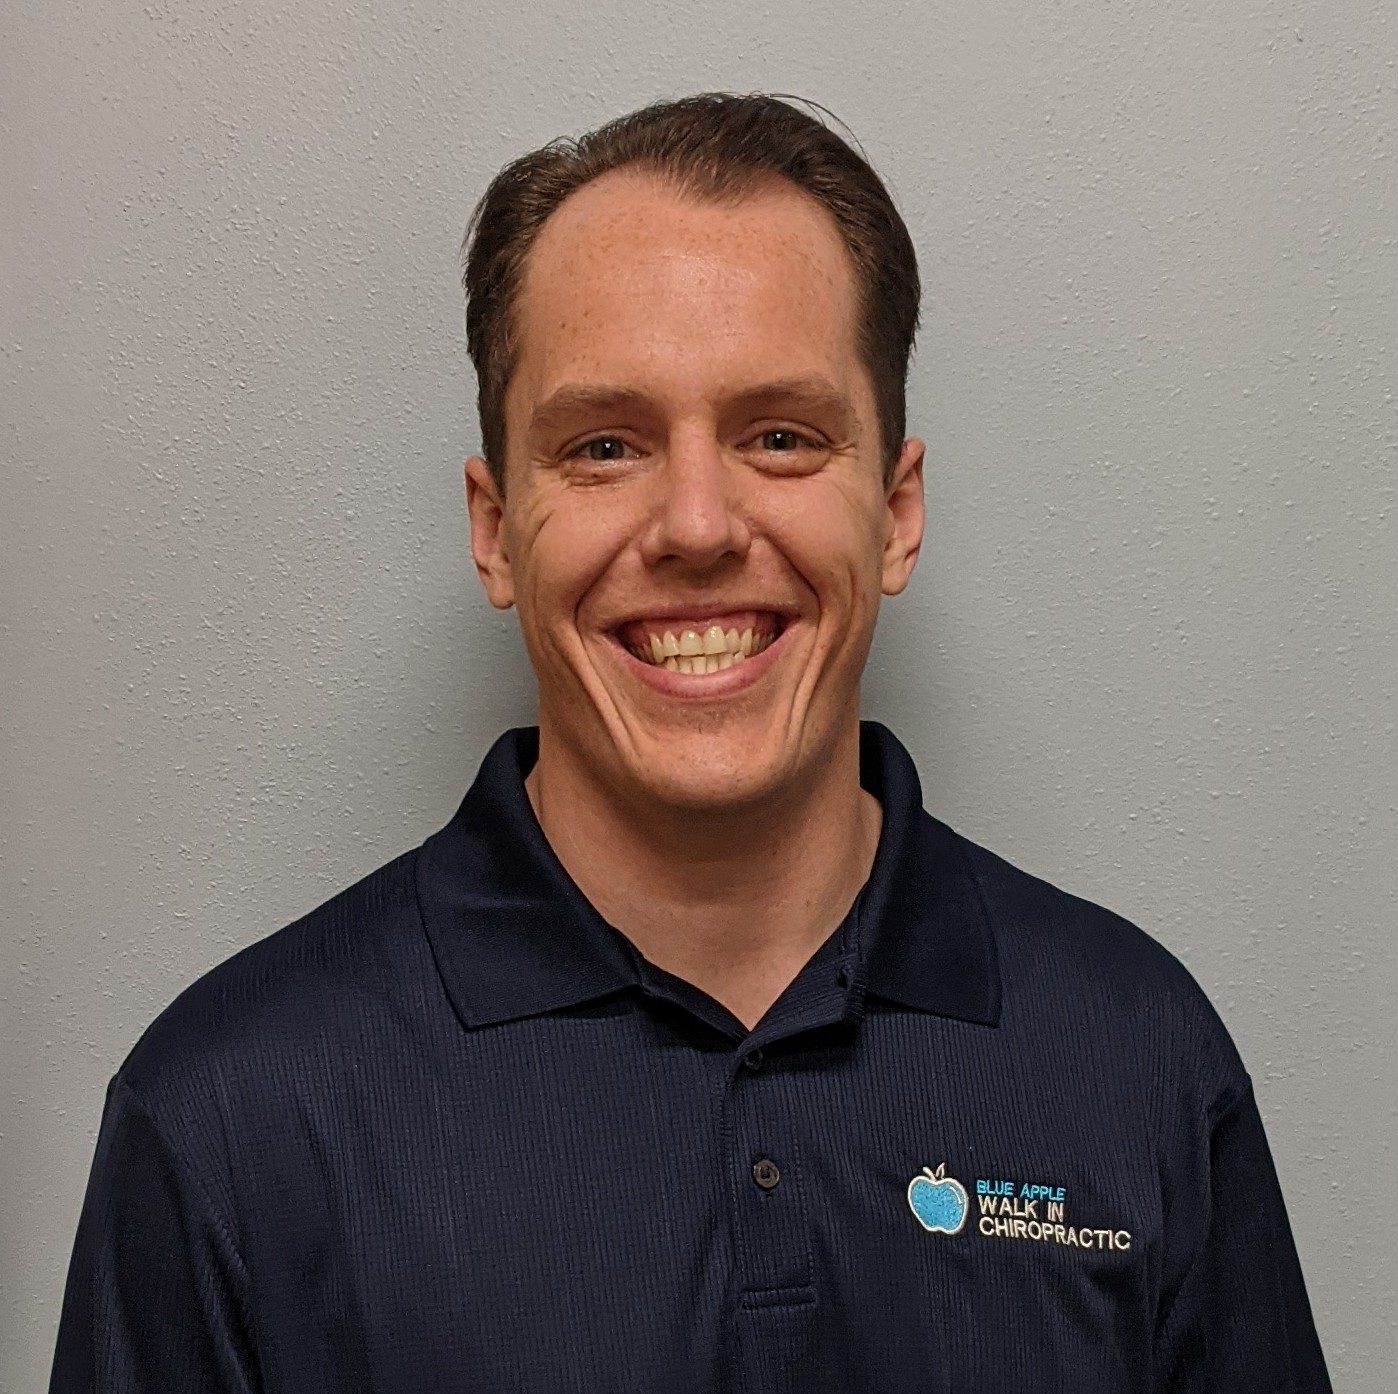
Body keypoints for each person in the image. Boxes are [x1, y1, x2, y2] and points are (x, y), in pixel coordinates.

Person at [48, 92, 1332, 1393]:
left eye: (780, 436)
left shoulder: (1135, 1055)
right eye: (605, 446)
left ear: (895, 513)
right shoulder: (227, 1120)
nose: (699, 525)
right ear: (496, 532)